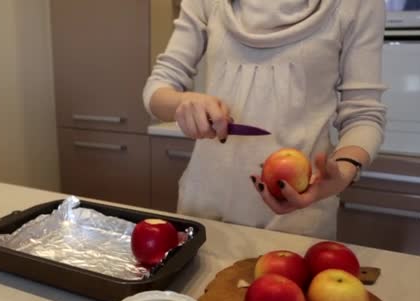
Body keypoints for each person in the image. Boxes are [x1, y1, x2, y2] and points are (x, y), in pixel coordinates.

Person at [143, 0, 387, 239]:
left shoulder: (359, 5)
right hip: (204, 212)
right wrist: (183, 103)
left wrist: (343, 172)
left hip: (298, 222)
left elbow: (363, 115)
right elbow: (157, 89)